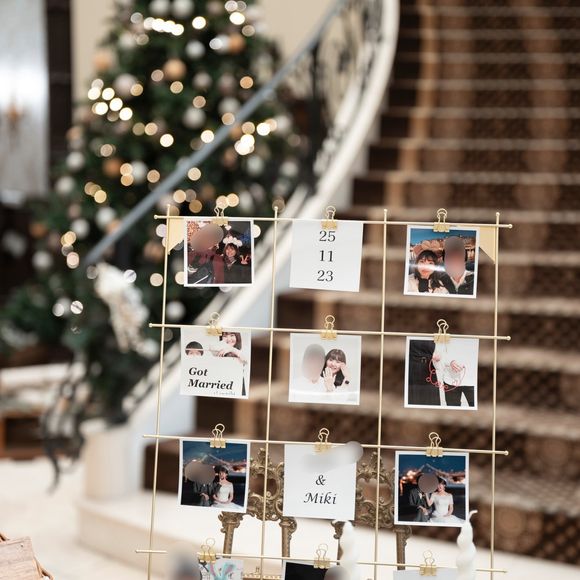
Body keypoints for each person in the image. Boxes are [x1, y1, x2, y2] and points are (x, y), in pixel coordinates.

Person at [407, 339, 440, 406]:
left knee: (431, 400)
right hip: (413, 367)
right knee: (413, 398)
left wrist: (440, 354)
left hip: (430, 368)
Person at [216, 331, 248, 396]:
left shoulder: (240, 351)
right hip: (222, 385)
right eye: (225, 336)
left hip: (237, 386)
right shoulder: (218, 351)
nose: (228, 339)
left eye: (232, 335)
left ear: (237, 337)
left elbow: (245, 361)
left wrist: (232, 349)